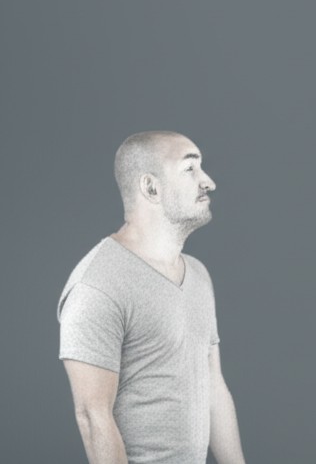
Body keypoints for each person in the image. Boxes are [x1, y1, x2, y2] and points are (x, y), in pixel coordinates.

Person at [57, 131, 246, 464]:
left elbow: (213, 387)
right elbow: (92, 415)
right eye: (190, 169)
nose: (209, 182)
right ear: (151, 188)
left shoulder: (198, 275)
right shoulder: (97, 284)